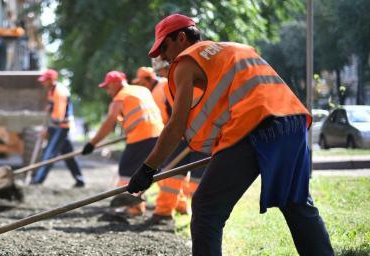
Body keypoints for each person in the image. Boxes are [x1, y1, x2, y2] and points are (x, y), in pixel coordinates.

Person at [127, 14, 333, 255]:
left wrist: (148, 169)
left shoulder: (186, 61)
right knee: (297, 204)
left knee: (206, 209)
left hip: (255, 126)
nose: (162, 56)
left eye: (164, 46)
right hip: (292, 122)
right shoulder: (232, 49)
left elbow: (176, 126)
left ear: (181, 38)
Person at [132, 65, 207, 224]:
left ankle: (170, 213)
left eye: (142, 82)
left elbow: (170, 118)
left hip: (188, 136)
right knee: (180, 177)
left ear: (151, 78)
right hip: (189, 135)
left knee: (186, 178)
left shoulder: (163, 87)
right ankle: (175, 211)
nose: (141, 85)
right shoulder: (165, 86)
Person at [82, 71, 164, 217]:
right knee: (151, 169)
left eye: (108, 87)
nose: (108, 91)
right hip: (159, 134)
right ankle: (139, 206)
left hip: (142, 137)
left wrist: (92, 144)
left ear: (115, 83)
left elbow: (109, 124)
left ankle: (130, 208)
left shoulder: (120, 98)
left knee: (127, 171)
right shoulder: (142, 90)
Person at [31, 69, 86, 187]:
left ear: (51, 80)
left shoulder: (59, 92)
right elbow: (53, 109)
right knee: (69, 155)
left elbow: (59, 117)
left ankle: (37, 180)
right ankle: (79, 180)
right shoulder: (52, 90)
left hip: (61, 126)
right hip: (59, 126)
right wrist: (50, 107)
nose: (43, 83)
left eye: (45, 81)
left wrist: (48, 130)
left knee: (49, 153)